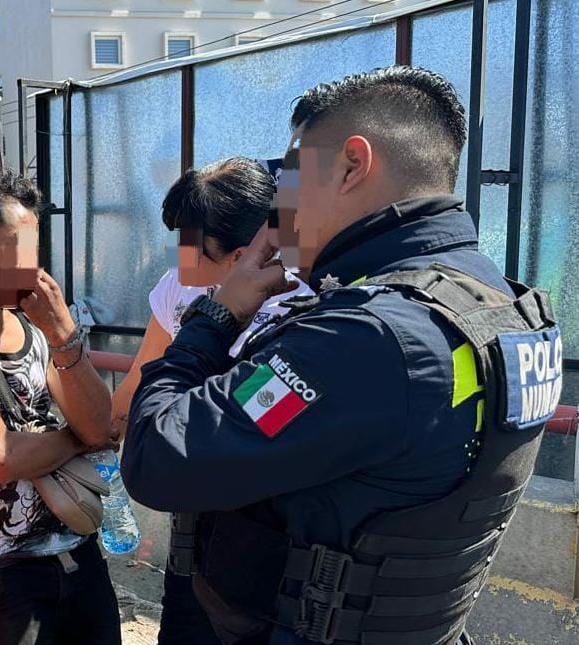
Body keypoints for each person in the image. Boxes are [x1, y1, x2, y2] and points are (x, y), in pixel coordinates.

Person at [121, 66, 561, 645]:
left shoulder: (371, 335)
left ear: (353, 164)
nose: (282, 205)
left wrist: (217, 315)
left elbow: (158, 456)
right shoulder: (503, 304)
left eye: (293, 175)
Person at [110, 157, 312, 645]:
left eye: (189, 243)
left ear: (243, 254)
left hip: (265, 546)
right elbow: (137, 385)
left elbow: (248, 423)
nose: (178, 255)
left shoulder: (300, 307)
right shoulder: (178, 289)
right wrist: (95, 437)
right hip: (193, 536)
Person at [0, 171, 122, 645]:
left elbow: (102, 424)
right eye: (16, 247)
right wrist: (74, 439)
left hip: (80, 553)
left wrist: (64, 334)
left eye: (34, 248)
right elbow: (1, 457)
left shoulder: (35, 329)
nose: (32, 265)